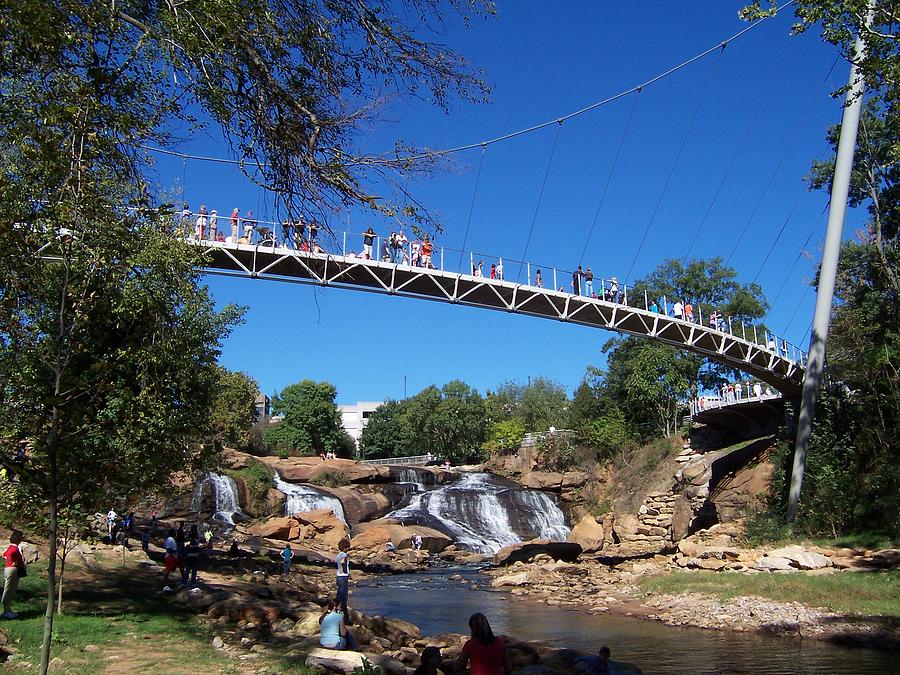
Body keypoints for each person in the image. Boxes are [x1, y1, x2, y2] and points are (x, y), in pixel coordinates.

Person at [2, 530, 26, 619]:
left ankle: (8, 610)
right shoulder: (14, 549)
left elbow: (4, 555)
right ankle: (6, 611)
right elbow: (9, 555)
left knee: (11, 589)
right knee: (9, 590)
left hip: (10, 570)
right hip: (12, 570)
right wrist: (13, 562)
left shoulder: (11, 547)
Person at [335, 538, 352, 623]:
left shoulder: (338, 555)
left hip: (338, 576)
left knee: (338, 597)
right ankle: (345, 620)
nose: (348, 549)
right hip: (343, 577)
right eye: (347, 547)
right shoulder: (344, 555)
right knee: (343, 599)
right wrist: (346, 571)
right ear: (345, 547)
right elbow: (342, 562)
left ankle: (336, 615)